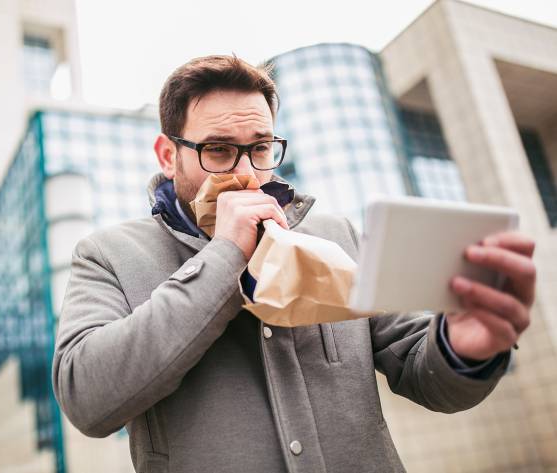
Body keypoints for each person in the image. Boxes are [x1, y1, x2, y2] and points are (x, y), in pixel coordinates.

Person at [52, 55, 536, 473]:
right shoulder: (107, 255)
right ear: (167, 154)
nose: (245, 173)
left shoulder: (337, 236)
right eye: (218, 150)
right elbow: (87, 401)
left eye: (260, 148)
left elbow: (423, 373)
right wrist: (225, 257)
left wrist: (463, 348)